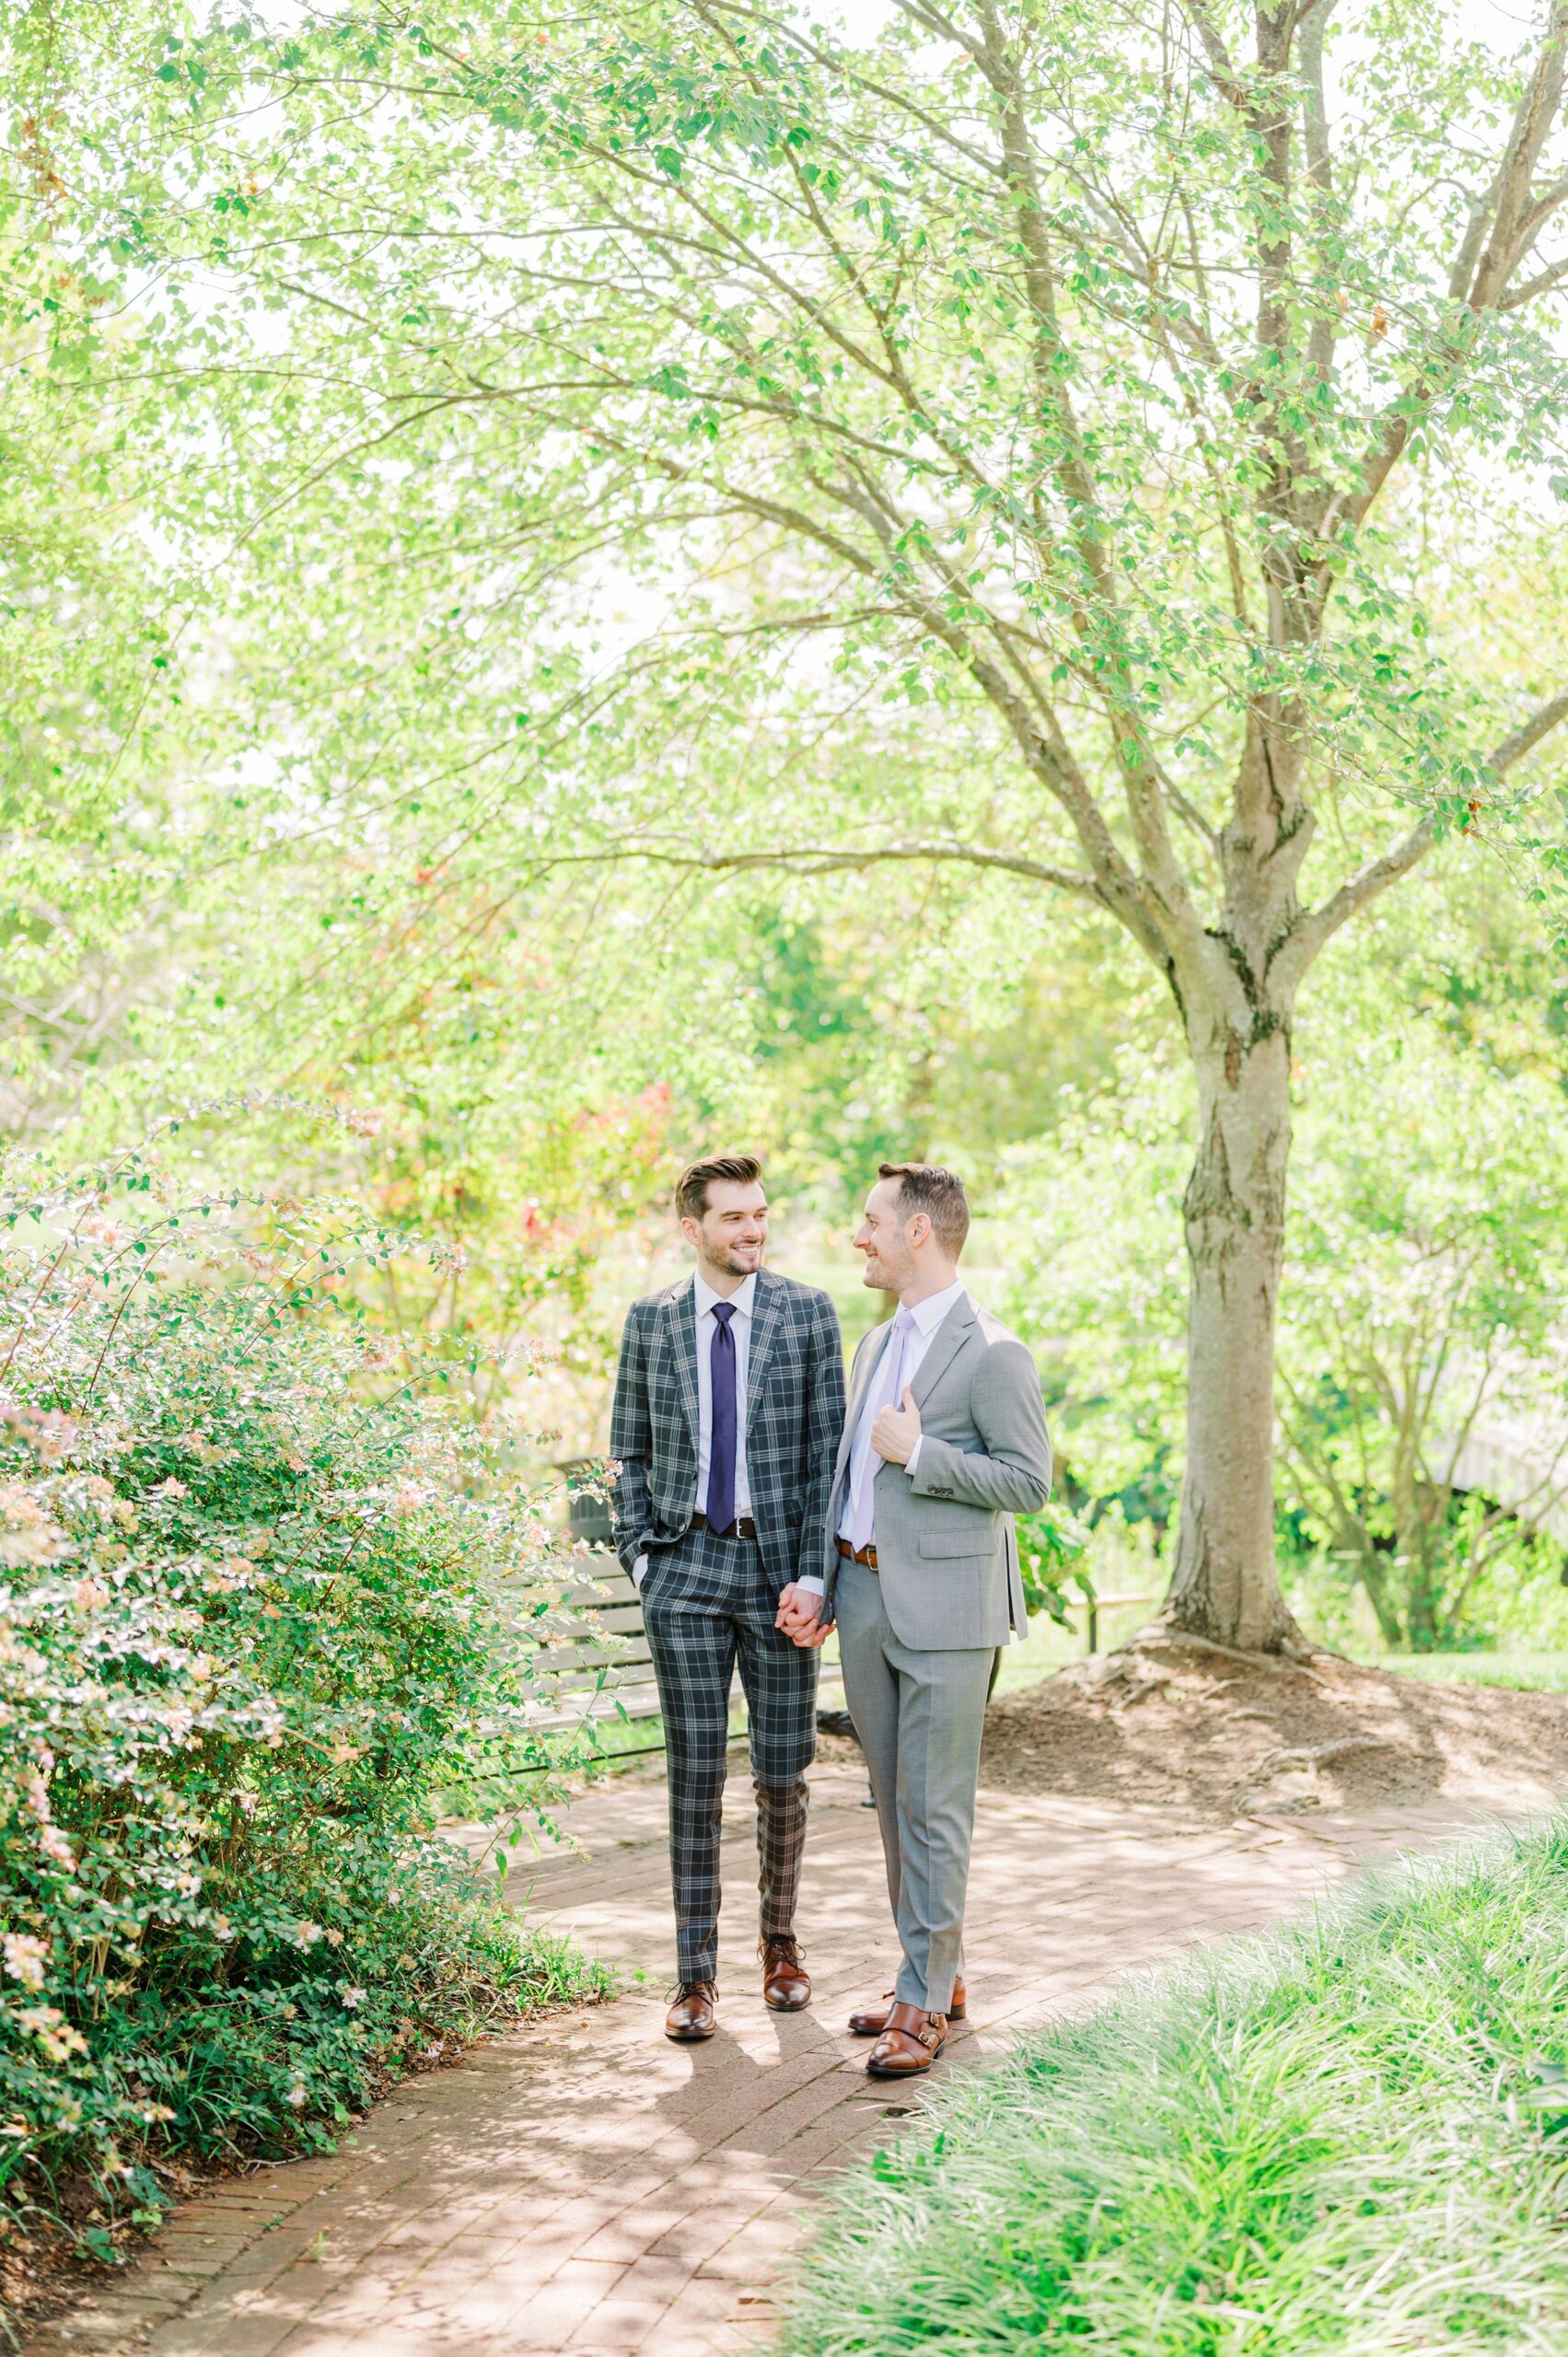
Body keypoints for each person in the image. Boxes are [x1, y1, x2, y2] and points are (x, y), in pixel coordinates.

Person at [779, 1162, 1051, 2078]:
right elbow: (850, 1481)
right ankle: (930, 1975)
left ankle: (922, 2002)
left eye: (869, 1223)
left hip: (948, 1611)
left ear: (918, 1233)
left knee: (935, 1810)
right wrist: (818, 1579)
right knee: (894, 1805)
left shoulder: (992, 1353)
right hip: (860, 1598)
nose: (857, 1237)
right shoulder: (872, 1346)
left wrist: (924, 1453)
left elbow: (1027, 1482)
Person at [609, 1154, 845, 2043]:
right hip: (686, 1571)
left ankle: (780, 1946)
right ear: (692, 1228)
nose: (752, 1231)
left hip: (782, 1574)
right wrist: (642, 1559)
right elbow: (625, 1449)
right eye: (734, 1218)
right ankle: (694, 1977)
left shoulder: (807, 1313)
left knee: (783, 1773)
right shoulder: (651, 1321)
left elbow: (831, 1454)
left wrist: (819, 1575)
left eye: (759, 1215)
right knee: (694, 1780)